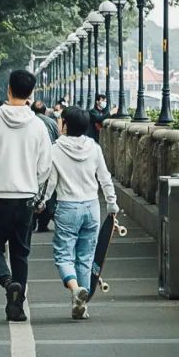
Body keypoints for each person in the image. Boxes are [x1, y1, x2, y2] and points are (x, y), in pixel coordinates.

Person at [0, 68, 52, 322]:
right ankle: (16, 308)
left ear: (8, 89)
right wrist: (34, 188)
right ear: (31, 93)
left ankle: (8, 283)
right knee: (21, 253)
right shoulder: (38, 126)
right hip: (25, 198)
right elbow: (45, 167)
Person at [37, 104, 118, 319]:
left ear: (64, 124)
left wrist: (41, 202)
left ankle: (75, 290)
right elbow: (104, 177)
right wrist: (112, 204)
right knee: (86, 257)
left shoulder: (55, 150)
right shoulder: (94, 148)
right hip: (92, 206)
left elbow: (50, 182)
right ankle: (82, 305)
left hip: (67, 207)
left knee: (64, 255)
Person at [31, 100, 59, 232]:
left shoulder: (29, 122)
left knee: (31, 192)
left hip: (30, 163)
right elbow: (57, 141)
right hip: (48, 162)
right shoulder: (52, 122)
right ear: (45, 111)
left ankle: (30, 223)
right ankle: (43, 223)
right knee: (48, 194)